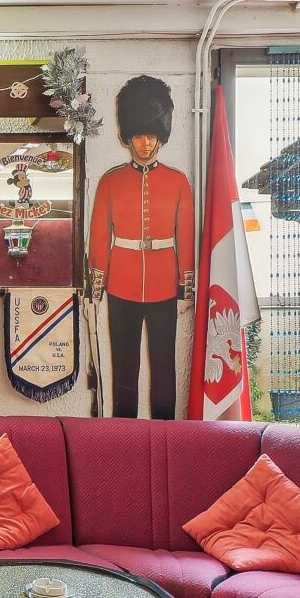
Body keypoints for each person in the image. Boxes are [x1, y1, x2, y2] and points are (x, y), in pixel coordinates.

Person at [88, 75, 195, 419]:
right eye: (139, 135)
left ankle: (165, 432)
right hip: (121, 283)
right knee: (124, 365)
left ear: (161, 134)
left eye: (151, 135)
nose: (146, 143)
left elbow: (186, 236)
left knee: (164, 366)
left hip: (165, 283)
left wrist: (186, 284)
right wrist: (96, 285)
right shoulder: (110, 181)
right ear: (128, 136)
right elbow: (100, 235)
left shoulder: (177, 182)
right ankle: (124, 434)